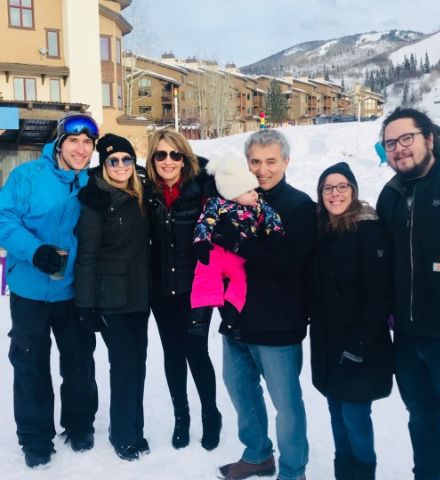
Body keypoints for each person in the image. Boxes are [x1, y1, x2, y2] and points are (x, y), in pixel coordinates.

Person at [376, 107, 440, 480]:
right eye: (390, 143)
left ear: (429, 139)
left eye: (407, 138)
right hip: (408, 338)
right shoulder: (390, 195)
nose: (399, 148)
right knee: (422, 420)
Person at [0, 113, 99, 468]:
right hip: (30, 291)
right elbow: (3, 218)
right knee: (30, 364)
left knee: (79, 362)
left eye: (87, 143)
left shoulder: (92, 183)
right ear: (58, 144)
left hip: (73, 291)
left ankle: (80, 424)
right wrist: (33, 250)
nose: (81, 149)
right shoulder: (27, 176)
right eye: (73, 141)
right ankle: (36, 438)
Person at [216, 129, 316, 480]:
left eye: (271, 161)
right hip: (236, 319)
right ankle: (258, 455)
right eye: (255, 162)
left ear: (286, 161)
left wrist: (240, 244)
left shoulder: (299, 206)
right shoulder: (232, 200)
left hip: (278, 325)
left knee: (286, 406)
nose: (262, 170)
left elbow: (289, 263)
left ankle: (292, 471)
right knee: (241, 392)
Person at [309, 162, 393, 480]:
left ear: (353, 191)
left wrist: (358, 344)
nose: (335, 193)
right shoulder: (322, 231)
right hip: (329, 344)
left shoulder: (368, 230)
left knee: (355, 418)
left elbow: (379, 294)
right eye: (328, 188)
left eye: (342, 186)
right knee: (336, 414)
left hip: (360, 347)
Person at [144, 128, 222, 451]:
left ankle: (210, 414)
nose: (168, 161)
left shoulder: (203, 187)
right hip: (162, 289)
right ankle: (182, 417)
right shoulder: (146, 191)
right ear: (152, 159)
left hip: (197, 288)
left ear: (184, 157)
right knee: (173, 353)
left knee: (195, 350)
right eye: (161, 154)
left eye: (175, 154)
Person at [74, 134, 150, 461]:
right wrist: (86, 304)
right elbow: (87, 254)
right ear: (104, 165)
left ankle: (135, 428)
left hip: (139, 297)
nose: (120, 165)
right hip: (109, 299)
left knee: (138, 364)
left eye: (126, 159)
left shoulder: (141, 193)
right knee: (124, 365)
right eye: (113, 160)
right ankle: (122, 434)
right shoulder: (96, 200)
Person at [189, 152, 284, 336]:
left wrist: (275, 233)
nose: (255, 193)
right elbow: (205, 221)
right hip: (215, 252)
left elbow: (272, 216)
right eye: (249, 190)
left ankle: (231, 317)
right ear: (233, 193)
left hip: (238, 257)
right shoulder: (216, 204)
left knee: (240, 283)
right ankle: (199, 317)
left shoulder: (257, 204)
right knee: (205, 276)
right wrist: (201, 241)